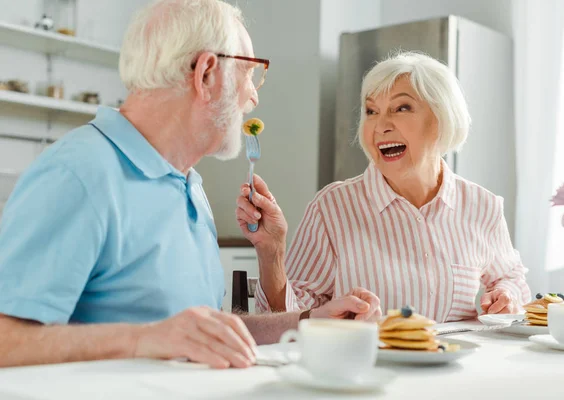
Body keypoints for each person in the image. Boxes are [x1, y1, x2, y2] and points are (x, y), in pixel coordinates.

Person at [0, 0, 381, 369]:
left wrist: (308, 322)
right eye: (249, 73)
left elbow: (197, 333)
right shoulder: (79, 172)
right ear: (205, 74)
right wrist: (145, 340)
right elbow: (6, 340)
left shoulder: (188, 184)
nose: (253, 95)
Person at [236, 51, 531, 322]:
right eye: (371, 111)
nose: (380, 126)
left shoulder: (483, 206)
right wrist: (271, 253)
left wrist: (507, 296)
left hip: (452, 373)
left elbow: (512, 278)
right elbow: (287, 318)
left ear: (442, 119)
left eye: (401, 107)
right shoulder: (333, 208)